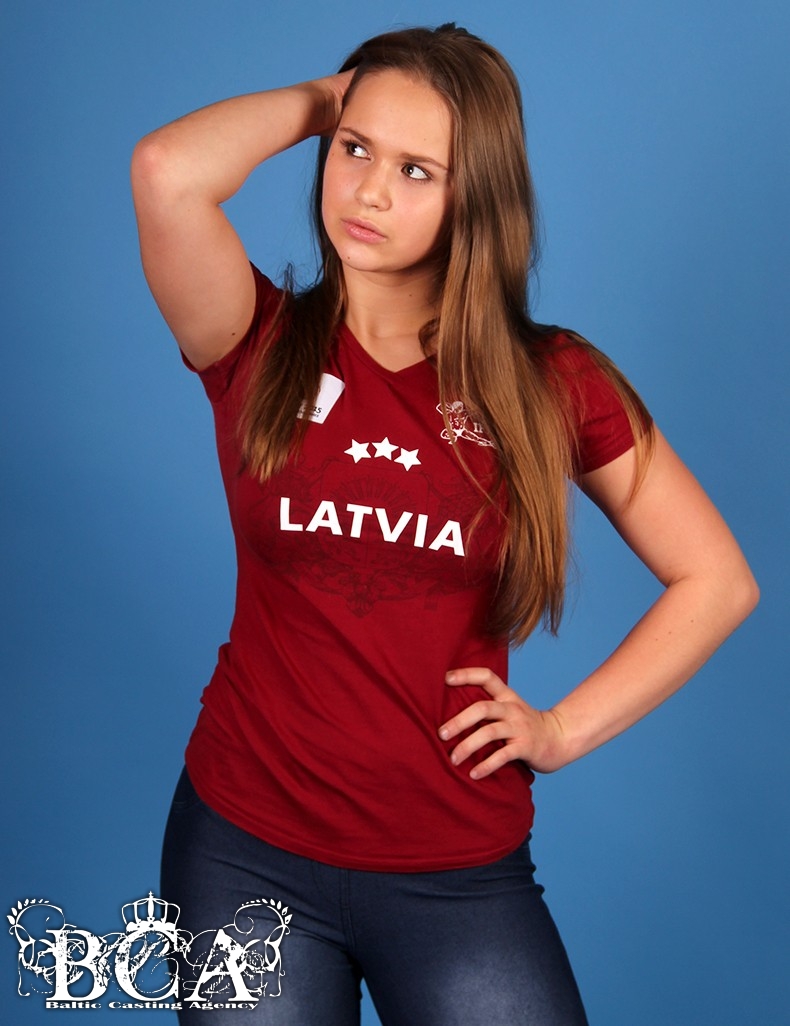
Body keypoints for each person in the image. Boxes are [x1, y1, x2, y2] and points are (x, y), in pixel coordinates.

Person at [131, 23, 758, 1026]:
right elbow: (167, 171)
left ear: (477, 197)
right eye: (355, 150)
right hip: (242, 849)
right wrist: (332, 98)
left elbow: (718, 580)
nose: (370, 191)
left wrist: (560, 731)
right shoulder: (255, 339)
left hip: (456, 870)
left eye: (417, 169)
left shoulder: (551, 381)